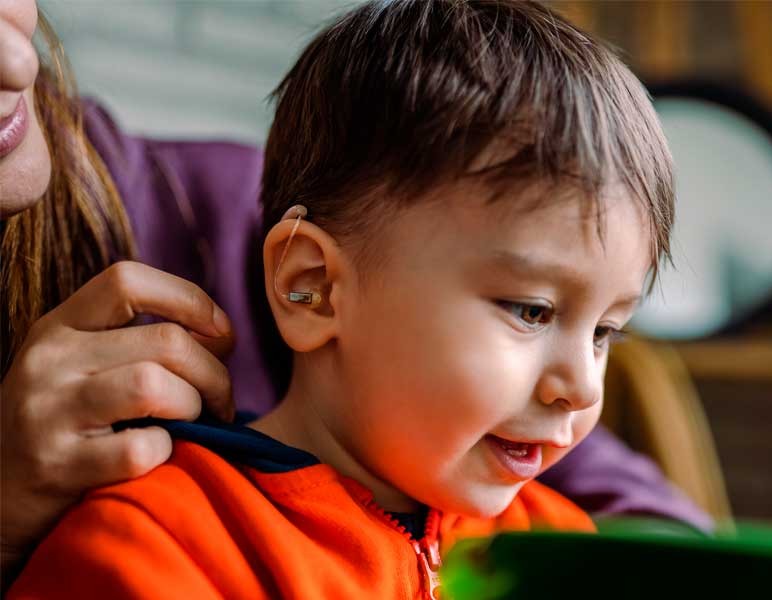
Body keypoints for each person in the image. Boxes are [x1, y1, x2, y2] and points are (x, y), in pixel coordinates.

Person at [7, 1, 701, 597]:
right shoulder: (161, 546)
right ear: (312, 288)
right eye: (532, 311)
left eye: (607, 331)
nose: (580, 387)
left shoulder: (554, 547)